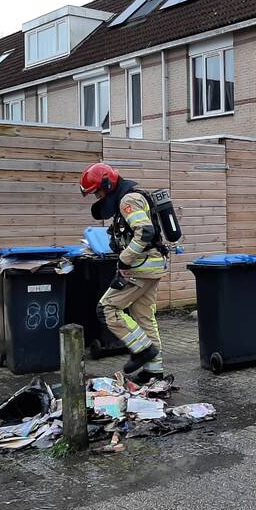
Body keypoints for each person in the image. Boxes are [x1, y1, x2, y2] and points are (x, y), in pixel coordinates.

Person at [79, 162, 168, 380]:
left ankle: (143, 349)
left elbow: (145, 232)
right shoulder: (127, 198)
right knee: (144, 318)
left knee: (107, 308)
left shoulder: (128, 200)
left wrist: (124, 259)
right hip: (150, 266)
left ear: (107, 185)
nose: (97, 197)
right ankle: (154, 373)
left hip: (140, 268)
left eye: (97, 192)